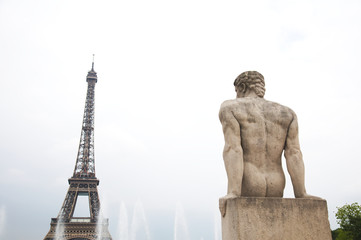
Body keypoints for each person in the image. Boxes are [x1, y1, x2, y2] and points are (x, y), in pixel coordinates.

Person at [219, 71, 320, 216]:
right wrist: (301, 193)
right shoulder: (287, 113)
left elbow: (233, 149)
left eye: (236, 91)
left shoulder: (230, 107)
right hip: (277, 183)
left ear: (242, 87)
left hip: (248, 181)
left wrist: (233, 192)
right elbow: (294, 153)